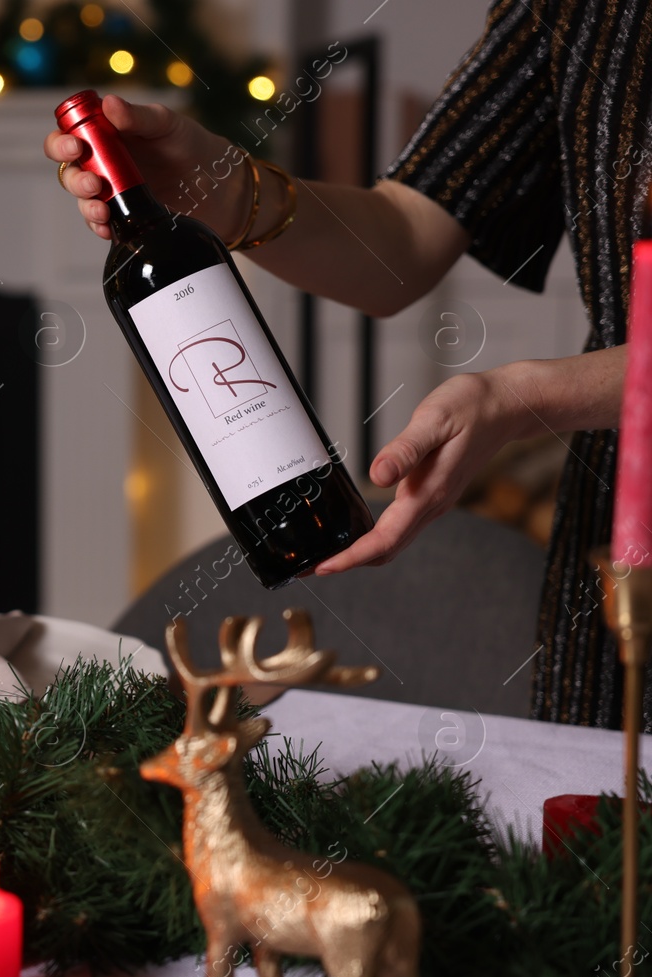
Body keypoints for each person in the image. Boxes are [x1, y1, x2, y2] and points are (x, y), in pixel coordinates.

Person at [45, 0, 650, 728]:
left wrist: (533, 396)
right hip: (618, 520)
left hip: (614, 469)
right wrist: (227, 187)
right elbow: (401, 238)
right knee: (596, 822)